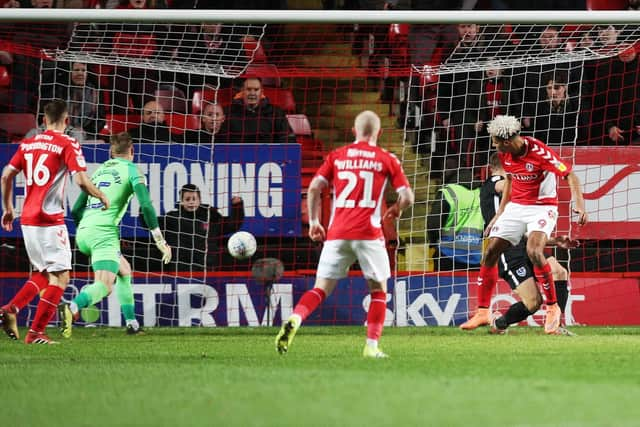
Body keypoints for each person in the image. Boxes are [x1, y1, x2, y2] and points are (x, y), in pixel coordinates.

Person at [275, 110, 414, 358]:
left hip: (337, 232)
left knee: (320, 289)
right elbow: (407, 197)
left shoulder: (337, 156)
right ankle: (371, 347)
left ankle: (295, 319)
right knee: (379, 291)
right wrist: (395, 209)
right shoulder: (386, 158)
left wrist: (315, 222)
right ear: (379, 133)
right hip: (369, 234)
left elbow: (315, 187)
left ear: (353, 131)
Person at [463, 115, 587, 335]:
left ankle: (552, 307)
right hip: (516, 207)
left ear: (508, 140)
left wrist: (579, 204)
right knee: (490, 251)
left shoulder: (540, 153)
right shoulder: (505, 154)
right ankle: (483, 312)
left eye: (496, 141)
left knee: (534, 251)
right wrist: (500, 213)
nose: (494, 145)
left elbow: (570, 175)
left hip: (542, 206)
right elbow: (510, 179)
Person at [0, 99, 109, 344]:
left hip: (27, 218)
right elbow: (80, 181)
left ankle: (11, 309)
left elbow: (6, 176)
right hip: (49, 219)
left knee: (43, 273)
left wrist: (8, 208)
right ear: (67, 121)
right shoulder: (67, 142)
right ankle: (36, 333)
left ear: (44, 121)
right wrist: (101, 195)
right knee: (61, 278)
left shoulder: (27, 143)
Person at [58, 132, 172, 337]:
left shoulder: (100, 170)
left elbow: (75, 209)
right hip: (103, 233)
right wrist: (159, 239)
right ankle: (72, 307)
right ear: (132, 151)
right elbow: (146, 205)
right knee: (105, 286)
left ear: (111, 151)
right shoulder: (132, 170)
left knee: (124, 270)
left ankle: (132, 324)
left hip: (84, 230)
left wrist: (87, 232)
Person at [160, 183, 244, 271]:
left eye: (194, 199)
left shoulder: (211, 217)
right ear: (181, 201)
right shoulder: (172, 218)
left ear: (199, 200)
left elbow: (232, 225)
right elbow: (151, 226)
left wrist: (237, 206)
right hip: (180, 271)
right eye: (187, 199)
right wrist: (145, 209)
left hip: (207, 270)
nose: (191, 202)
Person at [426, 168, 483, 270]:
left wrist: (433, 242)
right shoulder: (481, 193)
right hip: (474, 256)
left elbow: (433, 223)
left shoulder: (448, 192)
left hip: (447, 255)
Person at [226, 77, 293, 144]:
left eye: (256, 90)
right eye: (248, 89)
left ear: (261, 92)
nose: (252, 93)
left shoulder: (276, 113)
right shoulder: (229, 112)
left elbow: (288, 139)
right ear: (242, 91)